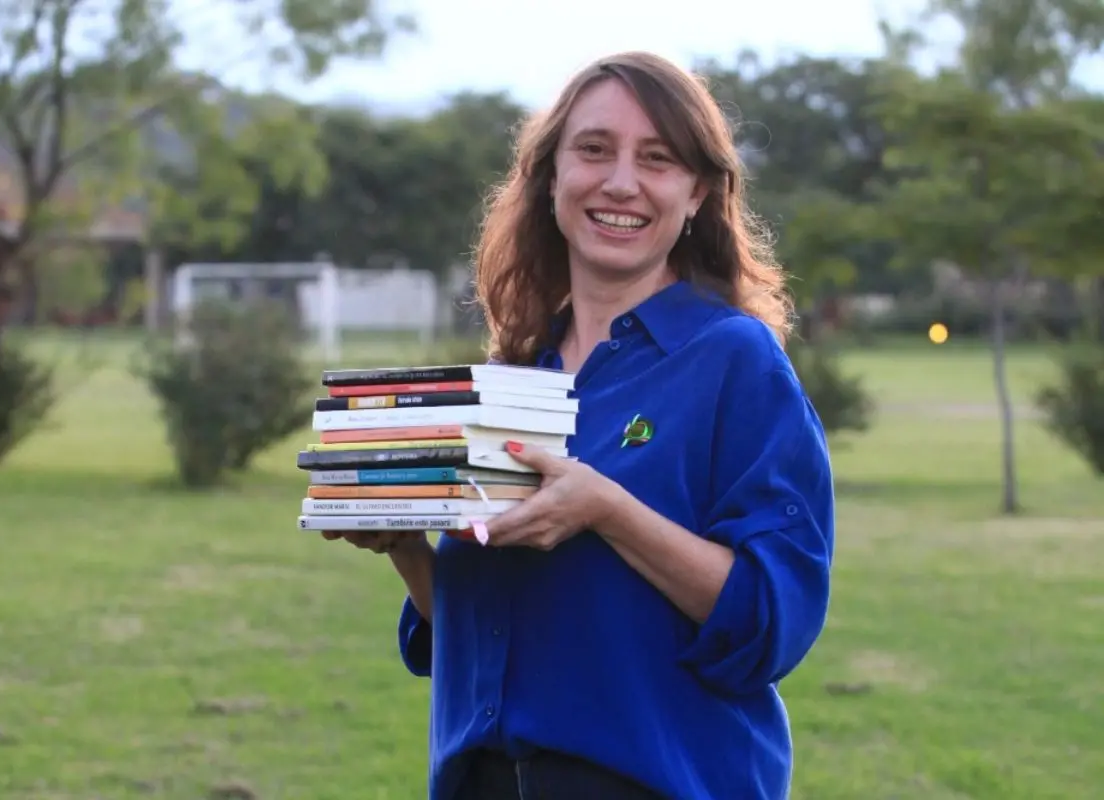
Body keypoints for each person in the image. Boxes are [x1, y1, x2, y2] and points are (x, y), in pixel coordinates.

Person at [322, 50, 836, 800]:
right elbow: (488, 626)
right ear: (552, 177)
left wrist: (606, 509)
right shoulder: (516, 375)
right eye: (594, 150)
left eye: (656, 159)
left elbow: (772, 622)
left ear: (696, 192)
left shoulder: (734, 361)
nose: (620, 181)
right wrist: (405, 543)